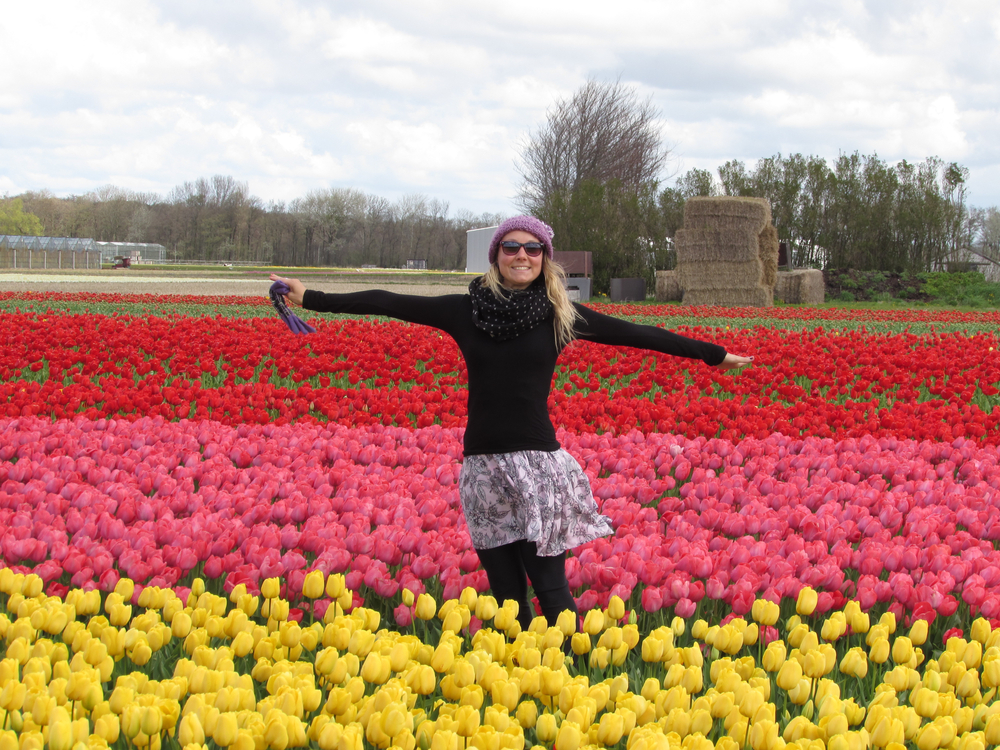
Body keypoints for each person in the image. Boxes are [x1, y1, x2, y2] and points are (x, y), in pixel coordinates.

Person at [271, 215, 752, 632]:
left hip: (538, 469)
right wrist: (309, 296)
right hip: (482, 470)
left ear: (545, 256)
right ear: (496, 255)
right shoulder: (465, 311)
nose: (521, 255)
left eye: (532, 248)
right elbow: (387, 300)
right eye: (511, 247)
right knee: (505, 596)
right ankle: (515, 688)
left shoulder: (560, 315)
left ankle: (567, 683)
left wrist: (715, 356)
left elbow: (640, 335)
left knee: (549, 588)